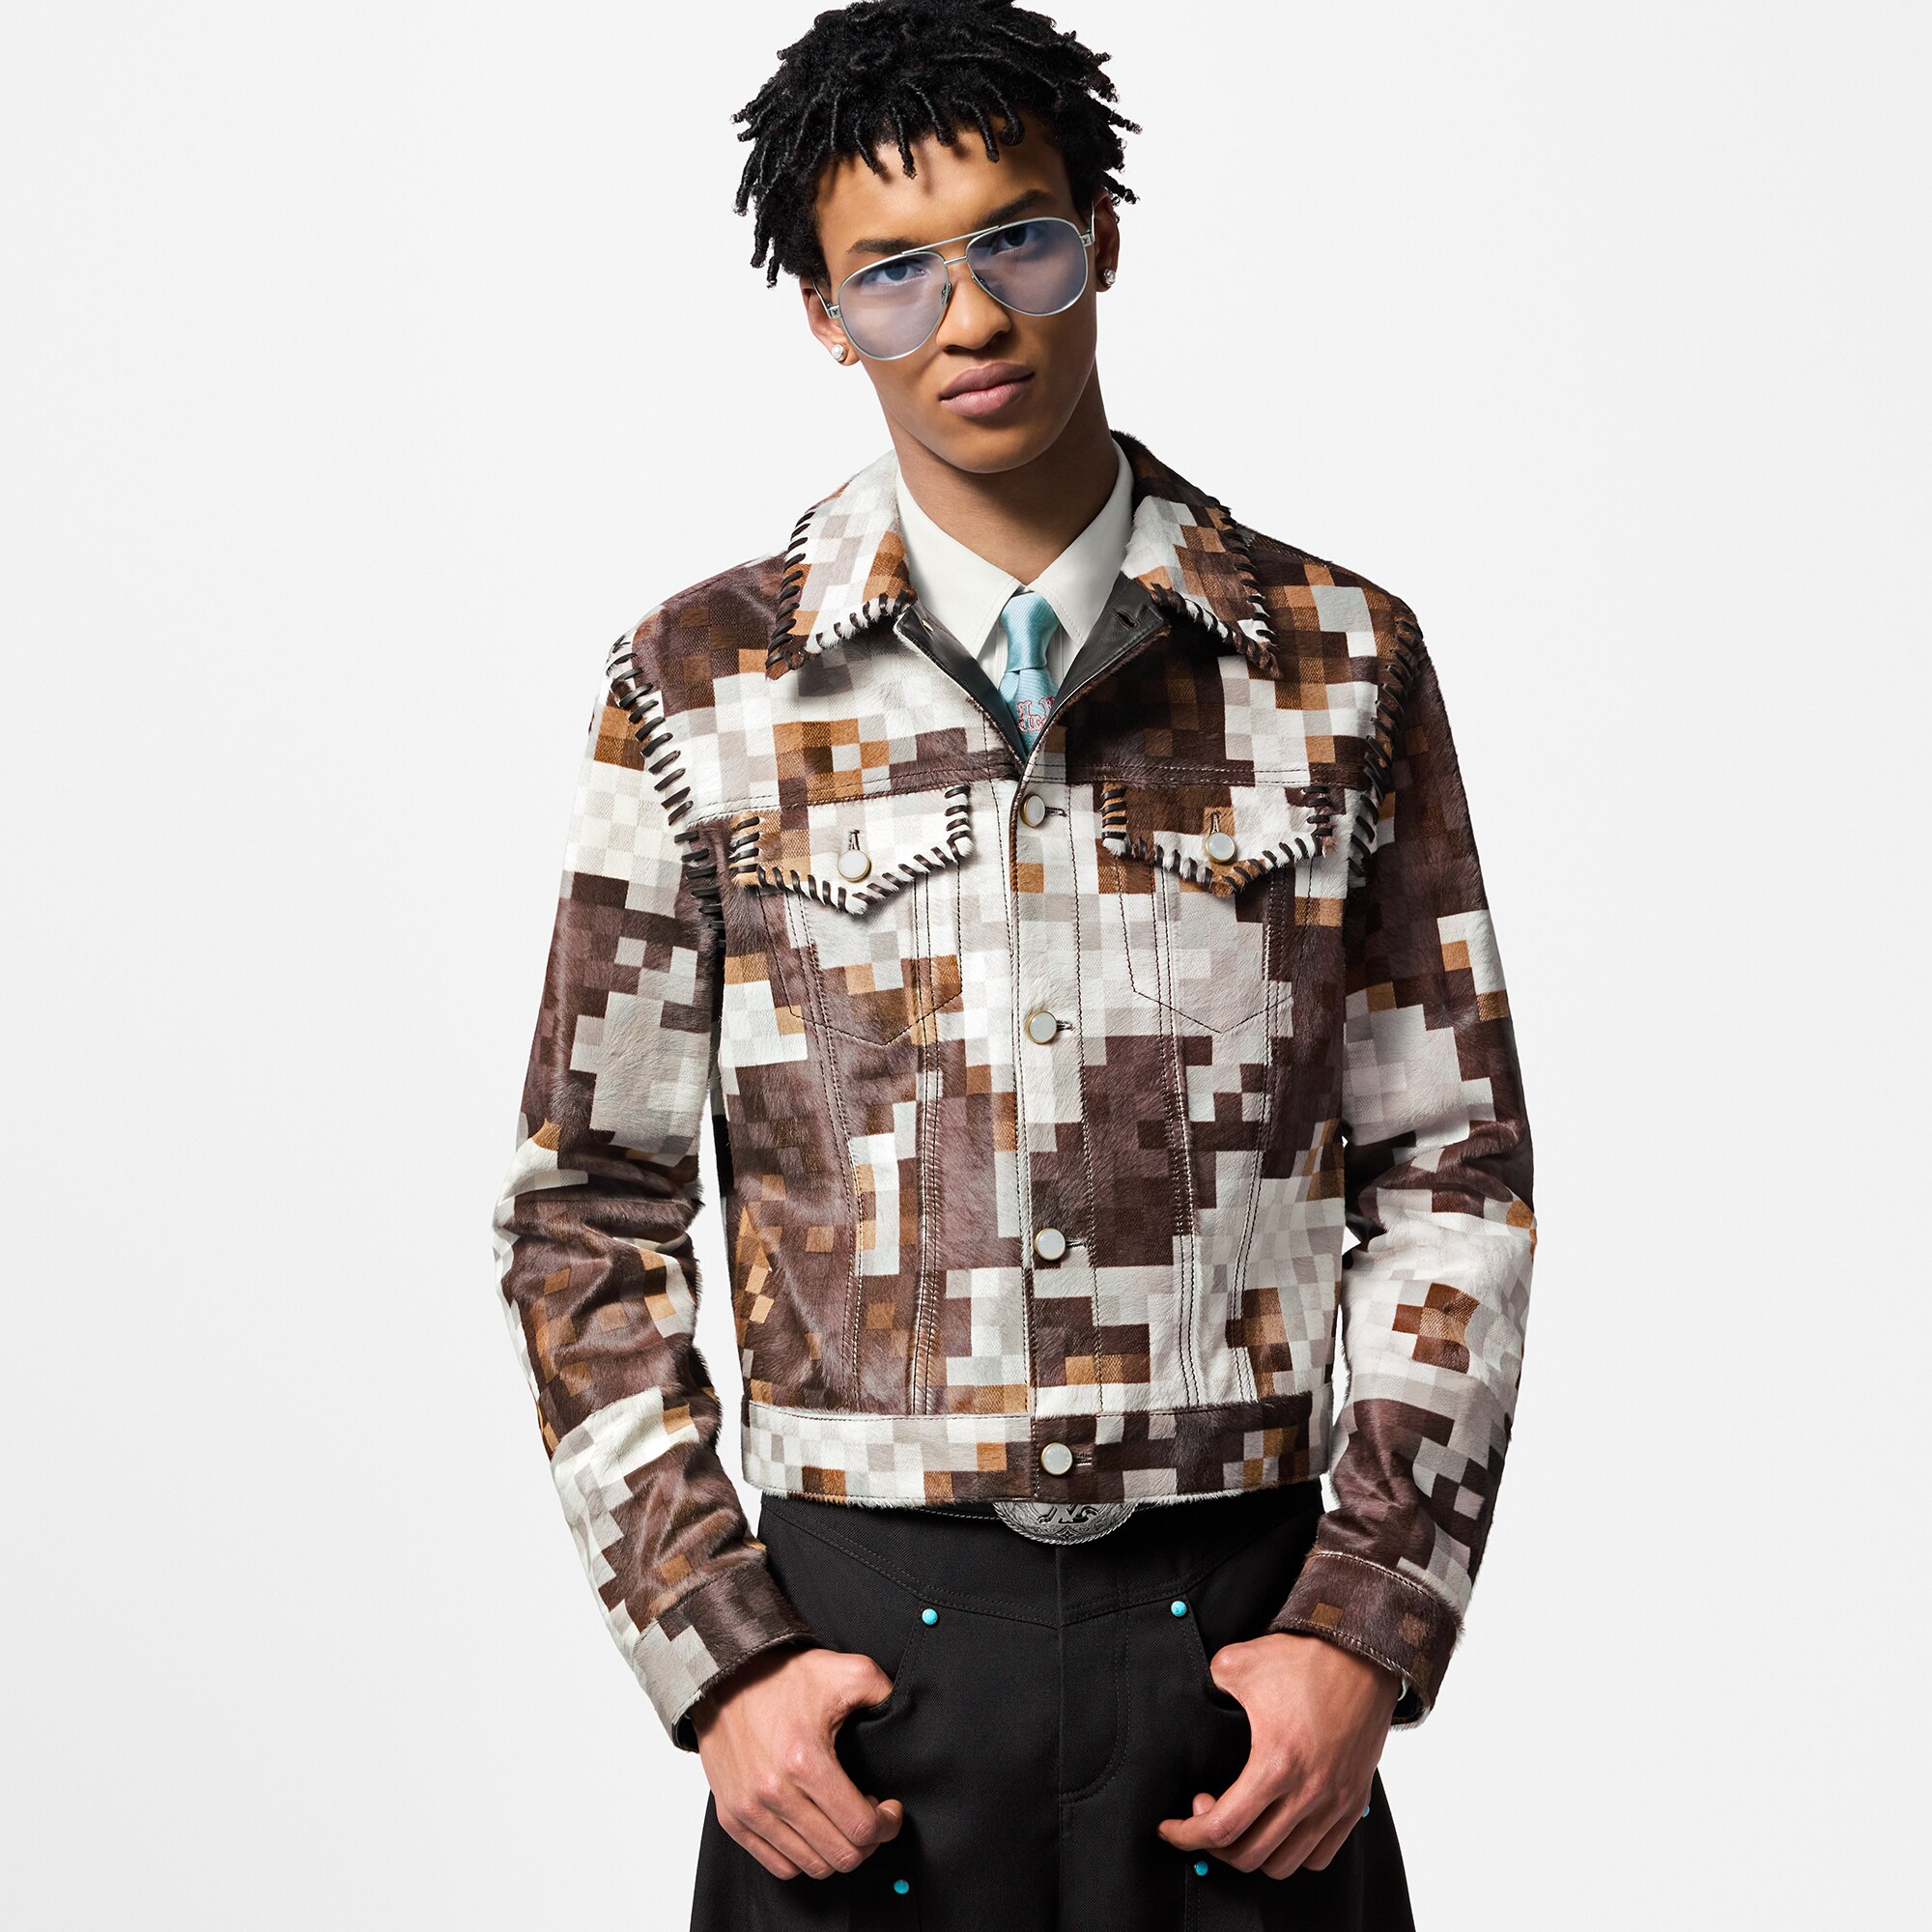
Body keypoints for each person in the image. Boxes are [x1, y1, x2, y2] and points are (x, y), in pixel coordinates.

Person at [490, 4, 1535, 1927]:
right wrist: (714, 1651)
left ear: (1102, 236)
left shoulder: (1338, 666)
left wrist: (1366, 1622)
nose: (967, 316)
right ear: (825, 313)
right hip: (856, 1673)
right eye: (892, 272)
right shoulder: (701, 688)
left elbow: (1450, 1175)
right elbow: (586, 1210)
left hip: (1241, 1658)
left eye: (1017, 240)